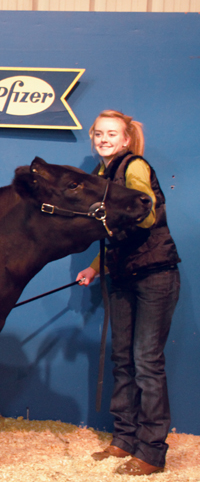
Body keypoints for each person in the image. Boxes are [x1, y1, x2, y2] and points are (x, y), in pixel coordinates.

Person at [76, 110, 180, 476]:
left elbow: (146, 215)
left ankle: (151, 452)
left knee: (146, 362)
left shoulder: (134, 166)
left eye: (112, 134)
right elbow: (117, 238)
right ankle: (124, 438)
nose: (104, 139)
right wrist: (94, 267)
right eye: (99, 134)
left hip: (155, 275)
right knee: (123, 359)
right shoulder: (101, 175)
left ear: (125, 140)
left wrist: (112, 211)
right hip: (122, 275)